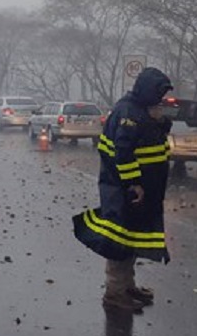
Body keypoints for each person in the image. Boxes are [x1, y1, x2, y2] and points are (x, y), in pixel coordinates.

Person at [73, 67, 174, 313]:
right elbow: (123, 153)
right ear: (148, 90)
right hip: (124, 189)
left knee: (132, 238)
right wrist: (133, 184)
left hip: (141, 188)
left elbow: (150, 139)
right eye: (159, 94)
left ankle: (128, 286)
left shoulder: (141, 109)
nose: (161, 99)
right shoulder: (128, 112)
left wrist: (160, 121)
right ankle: (115, 293)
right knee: (119, 239)